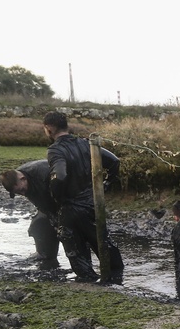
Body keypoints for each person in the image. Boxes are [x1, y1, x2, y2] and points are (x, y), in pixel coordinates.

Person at [43, 110, 124, 283]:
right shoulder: (86, 144)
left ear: (49, 129)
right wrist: (107, 185)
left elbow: (60, 175)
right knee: (103, 241)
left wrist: (56, 197)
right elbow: (114, 162)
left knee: (75, 248)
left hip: (70, 207)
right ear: (66, 126)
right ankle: (117, 279)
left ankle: (88, 280)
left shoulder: (55, 150)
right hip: (92, 203)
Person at [0, 160, 60, 269]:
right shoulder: (19, 180)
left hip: (70, 197)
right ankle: (44, 254)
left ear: (23, 179)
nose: (23, 194)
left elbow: (64, 195)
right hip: (48, 202)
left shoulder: (43, 173)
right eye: (18, 193)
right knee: (38, 225)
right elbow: (42, 205)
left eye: (22, 190)